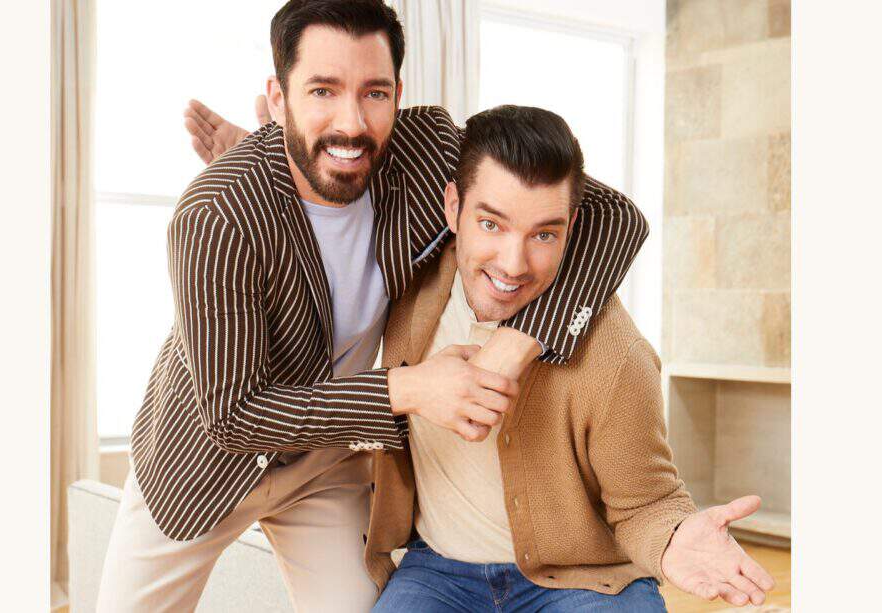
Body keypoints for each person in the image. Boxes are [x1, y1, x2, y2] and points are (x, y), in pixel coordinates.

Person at [95, 1, 649, 611]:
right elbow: (235, 415)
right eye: (322, 91)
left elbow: (613, 215)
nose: (352, 123)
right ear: (278, 98)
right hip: (204, 467)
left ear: (398, 93)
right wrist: (408, 390)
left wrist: (515, 345)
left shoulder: (423, 150)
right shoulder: (216, 214)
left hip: (327, 463)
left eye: (374, 92)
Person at [362, 104, 776, 611]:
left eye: (543, 234)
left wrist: (672, 541)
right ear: (453, 208)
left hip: (581, 578)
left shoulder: (616, 353)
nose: (513, 265)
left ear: (572, 228)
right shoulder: (409, 286)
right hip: (439, 568)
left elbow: (645, 500)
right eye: (491, 224)